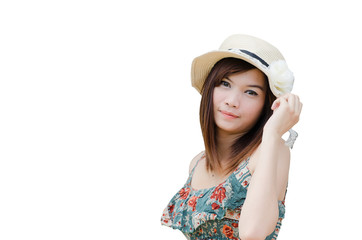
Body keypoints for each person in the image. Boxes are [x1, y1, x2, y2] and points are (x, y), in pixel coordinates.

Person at [161, 34, 302, 240]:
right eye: (225, 84)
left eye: (251, 92)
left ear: (267, 104)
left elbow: (253, 232)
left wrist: (272, 133)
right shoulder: (197, 163)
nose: (232, 101)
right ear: (210, 87)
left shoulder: (272, 150)